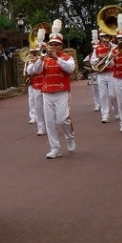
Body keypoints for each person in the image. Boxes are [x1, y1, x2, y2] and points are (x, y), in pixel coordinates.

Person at [27, 19, 76, 159]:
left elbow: (70, 68)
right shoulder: (44, 59)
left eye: (56, 45)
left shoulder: (67, 57)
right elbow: (33, 71)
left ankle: (70, 137)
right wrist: (40, 59)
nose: (53, 47)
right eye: (52, 44)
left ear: (61, 46)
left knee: (63, 120)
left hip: (62, 93)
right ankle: (55, 148)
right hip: (47, 93)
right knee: (49, 122)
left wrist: (56, 58)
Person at [90, 30, 117, 123]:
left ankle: (116, 111)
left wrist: (110, 58)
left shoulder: (114, 47)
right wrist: (99, 58)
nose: (104, 38)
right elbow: (92, 61)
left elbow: (115, 62)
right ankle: (105, 115)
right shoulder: (97, 48)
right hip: (101, 74)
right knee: (103, 95)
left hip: (111, 73)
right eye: (102, 36)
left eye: (106, 36)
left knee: (112, 95)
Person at [24, 44, 46, 135]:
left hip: (46, 84)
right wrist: (35, 62)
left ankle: (50, 123)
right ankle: (40, 126)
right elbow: (29, 72)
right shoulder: (29, 62)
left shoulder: (48, 59)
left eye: (36, 52)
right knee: (36, 104)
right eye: (33, 52)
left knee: (49, 106)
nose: (34, 54)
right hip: (35, 84)